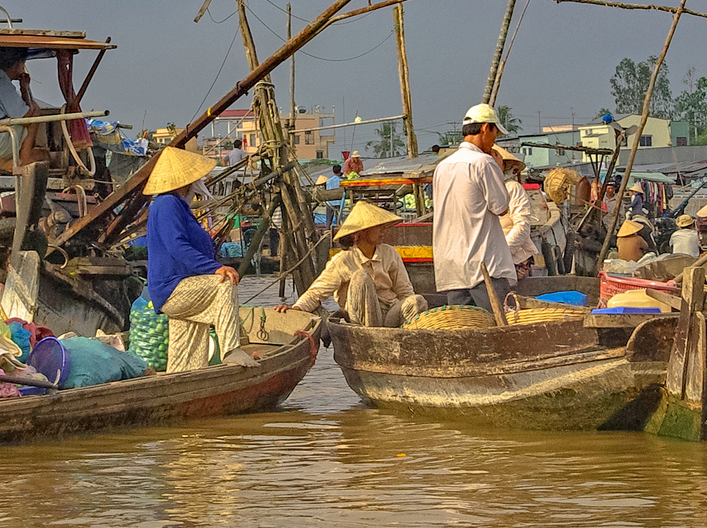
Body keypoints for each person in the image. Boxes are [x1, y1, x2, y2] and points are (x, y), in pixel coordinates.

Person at [143, 147, 257, 370]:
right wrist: (215, 268)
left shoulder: (177, 206)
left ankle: (181, 382)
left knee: (187, 358)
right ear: (184, 182)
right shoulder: (167, 204)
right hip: (173, 287)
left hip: (184, 284)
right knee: (224, 284)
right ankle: (231, 350)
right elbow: (177, 246)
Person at [277, 201, 426, 327]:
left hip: (389, 314)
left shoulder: (389, 253)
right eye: (378, 227)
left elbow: (405, 291)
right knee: (361, 277)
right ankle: (370, 336)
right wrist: (297, 308)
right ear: (361, 232)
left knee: (417, 301)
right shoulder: (343, 260)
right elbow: (317, 292)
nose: (383, 231)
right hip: (361, 320)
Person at [431, 103, 515, 314]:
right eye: (495, 132)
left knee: (463, 329)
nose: (495, 139)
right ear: (486, 128)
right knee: (501, 328)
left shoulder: (443, 167)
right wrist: (499, 171)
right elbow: (501, 207)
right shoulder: (483, 163)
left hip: (453, 267)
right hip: (484, 265)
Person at [494, 147, 544, 278]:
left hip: (512, 258)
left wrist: (503, 253)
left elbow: (522, 226)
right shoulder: (485, 188)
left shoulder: (512, 187)